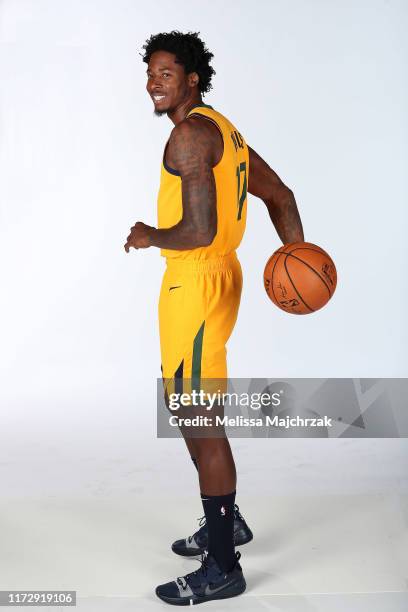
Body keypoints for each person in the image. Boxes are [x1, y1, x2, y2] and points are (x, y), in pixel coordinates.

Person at [124, 30, 304, 606]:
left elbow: (198, 230)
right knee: (186, 406)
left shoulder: (188, 138)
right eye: (150, 72)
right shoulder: (225, 128)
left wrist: (149, 235)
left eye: (166, 73)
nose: (154, 82)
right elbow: (282, 196)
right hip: (219, 278)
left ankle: (223, 565)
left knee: (201, 418)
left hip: (196, 280)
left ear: (192, 78)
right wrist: (294, 255)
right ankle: (229, 522)